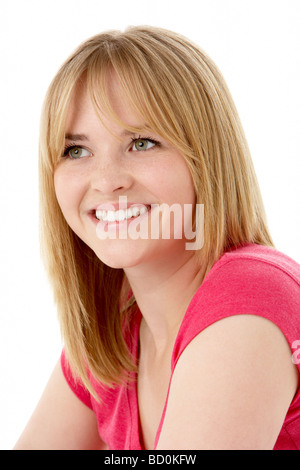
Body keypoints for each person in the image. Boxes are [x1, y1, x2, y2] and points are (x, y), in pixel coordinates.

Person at [14, 26, 300, 450]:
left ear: (206, 158)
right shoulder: (115, 332)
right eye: (76, 150)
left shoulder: (251, 294)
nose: (106, 181)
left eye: (142, 143)